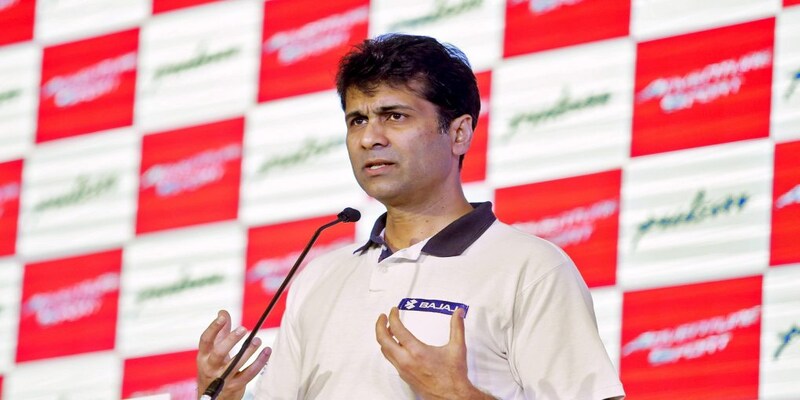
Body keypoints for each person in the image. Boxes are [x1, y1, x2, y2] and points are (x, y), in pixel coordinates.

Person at [196, 34, 625, 400]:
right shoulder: (319, 277)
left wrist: (461, 395)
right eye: (357, 120)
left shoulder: (530, 268)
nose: (369, 138)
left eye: (394, 116)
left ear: (459, 132)